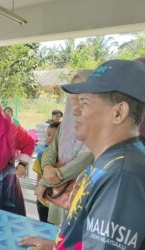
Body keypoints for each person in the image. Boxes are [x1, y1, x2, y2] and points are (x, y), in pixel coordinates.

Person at [20, 59, 145, 249]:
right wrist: (57, 246)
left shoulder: (121, 176)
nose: (75, 110)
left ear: (119, 112)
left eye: (84, 102)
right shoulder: (110, 160)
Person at [36, 70, 94, 226]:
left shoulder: (96, 124)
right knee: (58, 234)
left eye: (81, 90)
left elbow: (83, 161)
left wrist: (44, 183)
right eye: (72, 90)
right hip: (58, 191)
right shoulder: (65, 124)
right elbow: (50, 150)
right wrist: (48, 166)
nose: (75, 96)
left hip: (80, 192)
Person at [32, 121, 60, 223]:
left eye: (55, 136)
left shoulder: (67, 158)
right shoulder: (41, 155)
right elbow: (39, 177)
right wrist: (39, 196)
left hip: (59, 205)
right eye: (48, 135)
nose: (50, 139)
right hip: (43, 203)